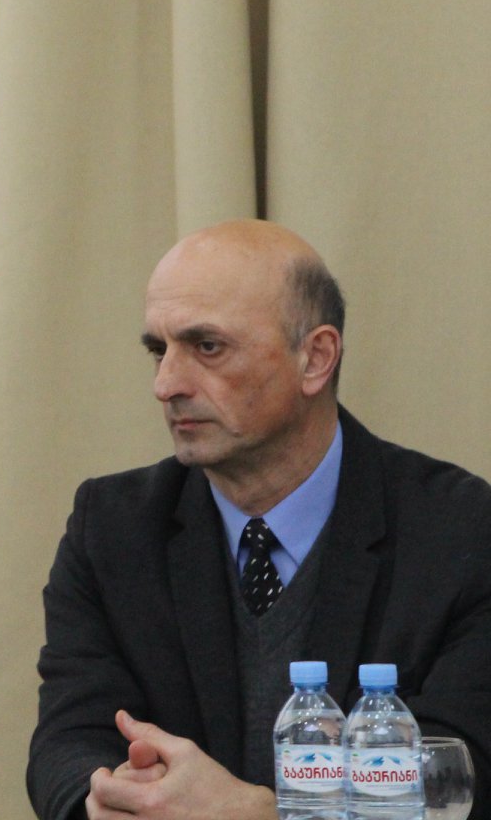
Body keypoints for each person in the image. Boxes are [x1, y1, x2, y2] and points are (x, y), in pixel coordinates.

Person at [27, 221, 491, 820]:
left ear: (315, 358)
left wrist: (262, 814)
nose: (166, 384)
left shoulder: (459, 530)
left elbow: (462, 770)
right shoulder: (113, 527)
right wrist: (110, 798)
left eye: (207, 347)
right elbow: (69, 737)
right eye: (158, 350)